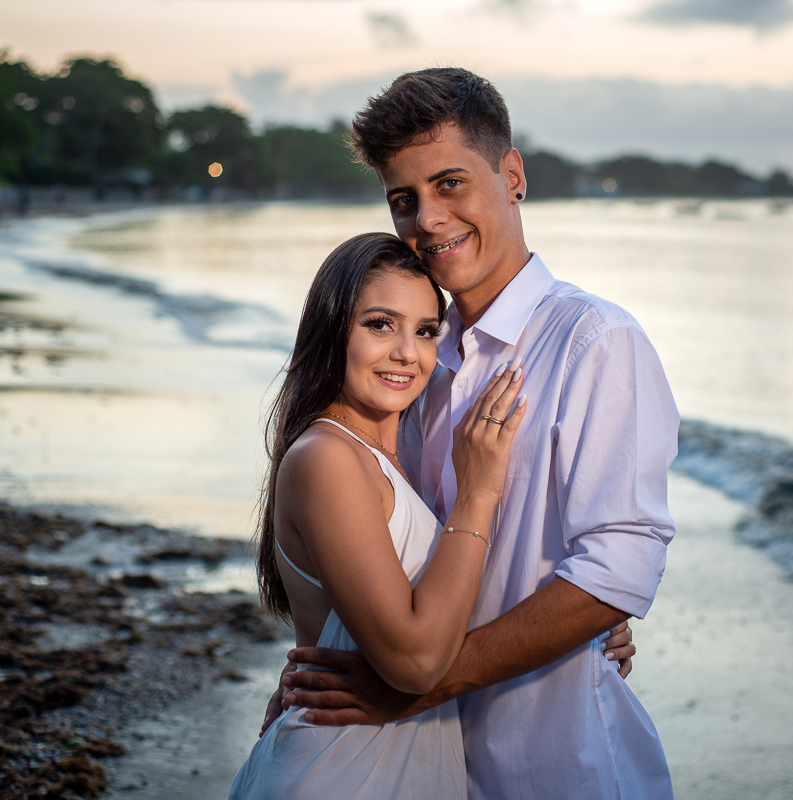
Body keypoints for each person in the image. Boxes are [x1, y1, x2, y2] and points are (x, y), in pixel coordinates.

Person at [272, 68, 679, 799]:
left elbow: (618, 567)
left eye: (450, 183)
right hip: (424, 768)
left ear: (512, 175)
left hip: (554, 763)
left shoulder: (595, 342)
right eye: (405, 199)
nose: (427, 218)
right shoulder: (415, 363)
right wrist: (330, 656)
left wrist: (419, 684)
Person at [229, 232, 528, 798]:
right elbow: (414, 663)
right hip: (340, 773)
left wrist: (580, 621)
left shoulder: (397, 458)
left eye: (425, 331)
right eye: (380, 324)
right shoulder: (327, 458)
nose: (407, 354)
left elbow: (443, 594)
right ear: (332, 329)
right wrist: (477, 495)